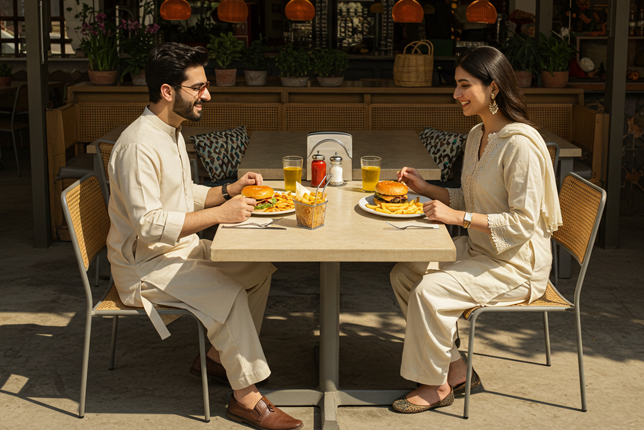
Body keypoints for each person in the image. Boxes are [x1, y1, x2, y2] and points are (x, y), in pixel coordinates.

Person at [106, 42, 302, 430]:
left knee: (258, 267)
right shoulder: (138, 145)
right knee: (227, 295)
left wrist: (231, 190)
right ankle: (245, 399)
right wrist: (220, 214)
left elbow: (185, 191)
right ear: (168, 91)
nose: (207, 95)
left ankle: (216, 357)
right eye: (198, 87)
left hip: (180, 251)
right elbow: (149, 225)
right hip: (144, 266)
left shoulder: (171, 130)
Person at [389, 46, 562, 413]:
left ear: (494, 88)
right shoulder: (476, 136)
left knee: (430, 291)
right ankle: (455, 367)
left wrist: (457, 219)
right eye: (456, 85)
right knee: (407, 272)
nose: (456, 95)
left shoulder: (520, 146)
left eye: (464, 85)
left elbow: (522, 222)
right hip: (482, 251)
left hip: (516, 266)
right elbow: (470, 197)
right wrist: (427, 189)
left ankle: (435, 385)